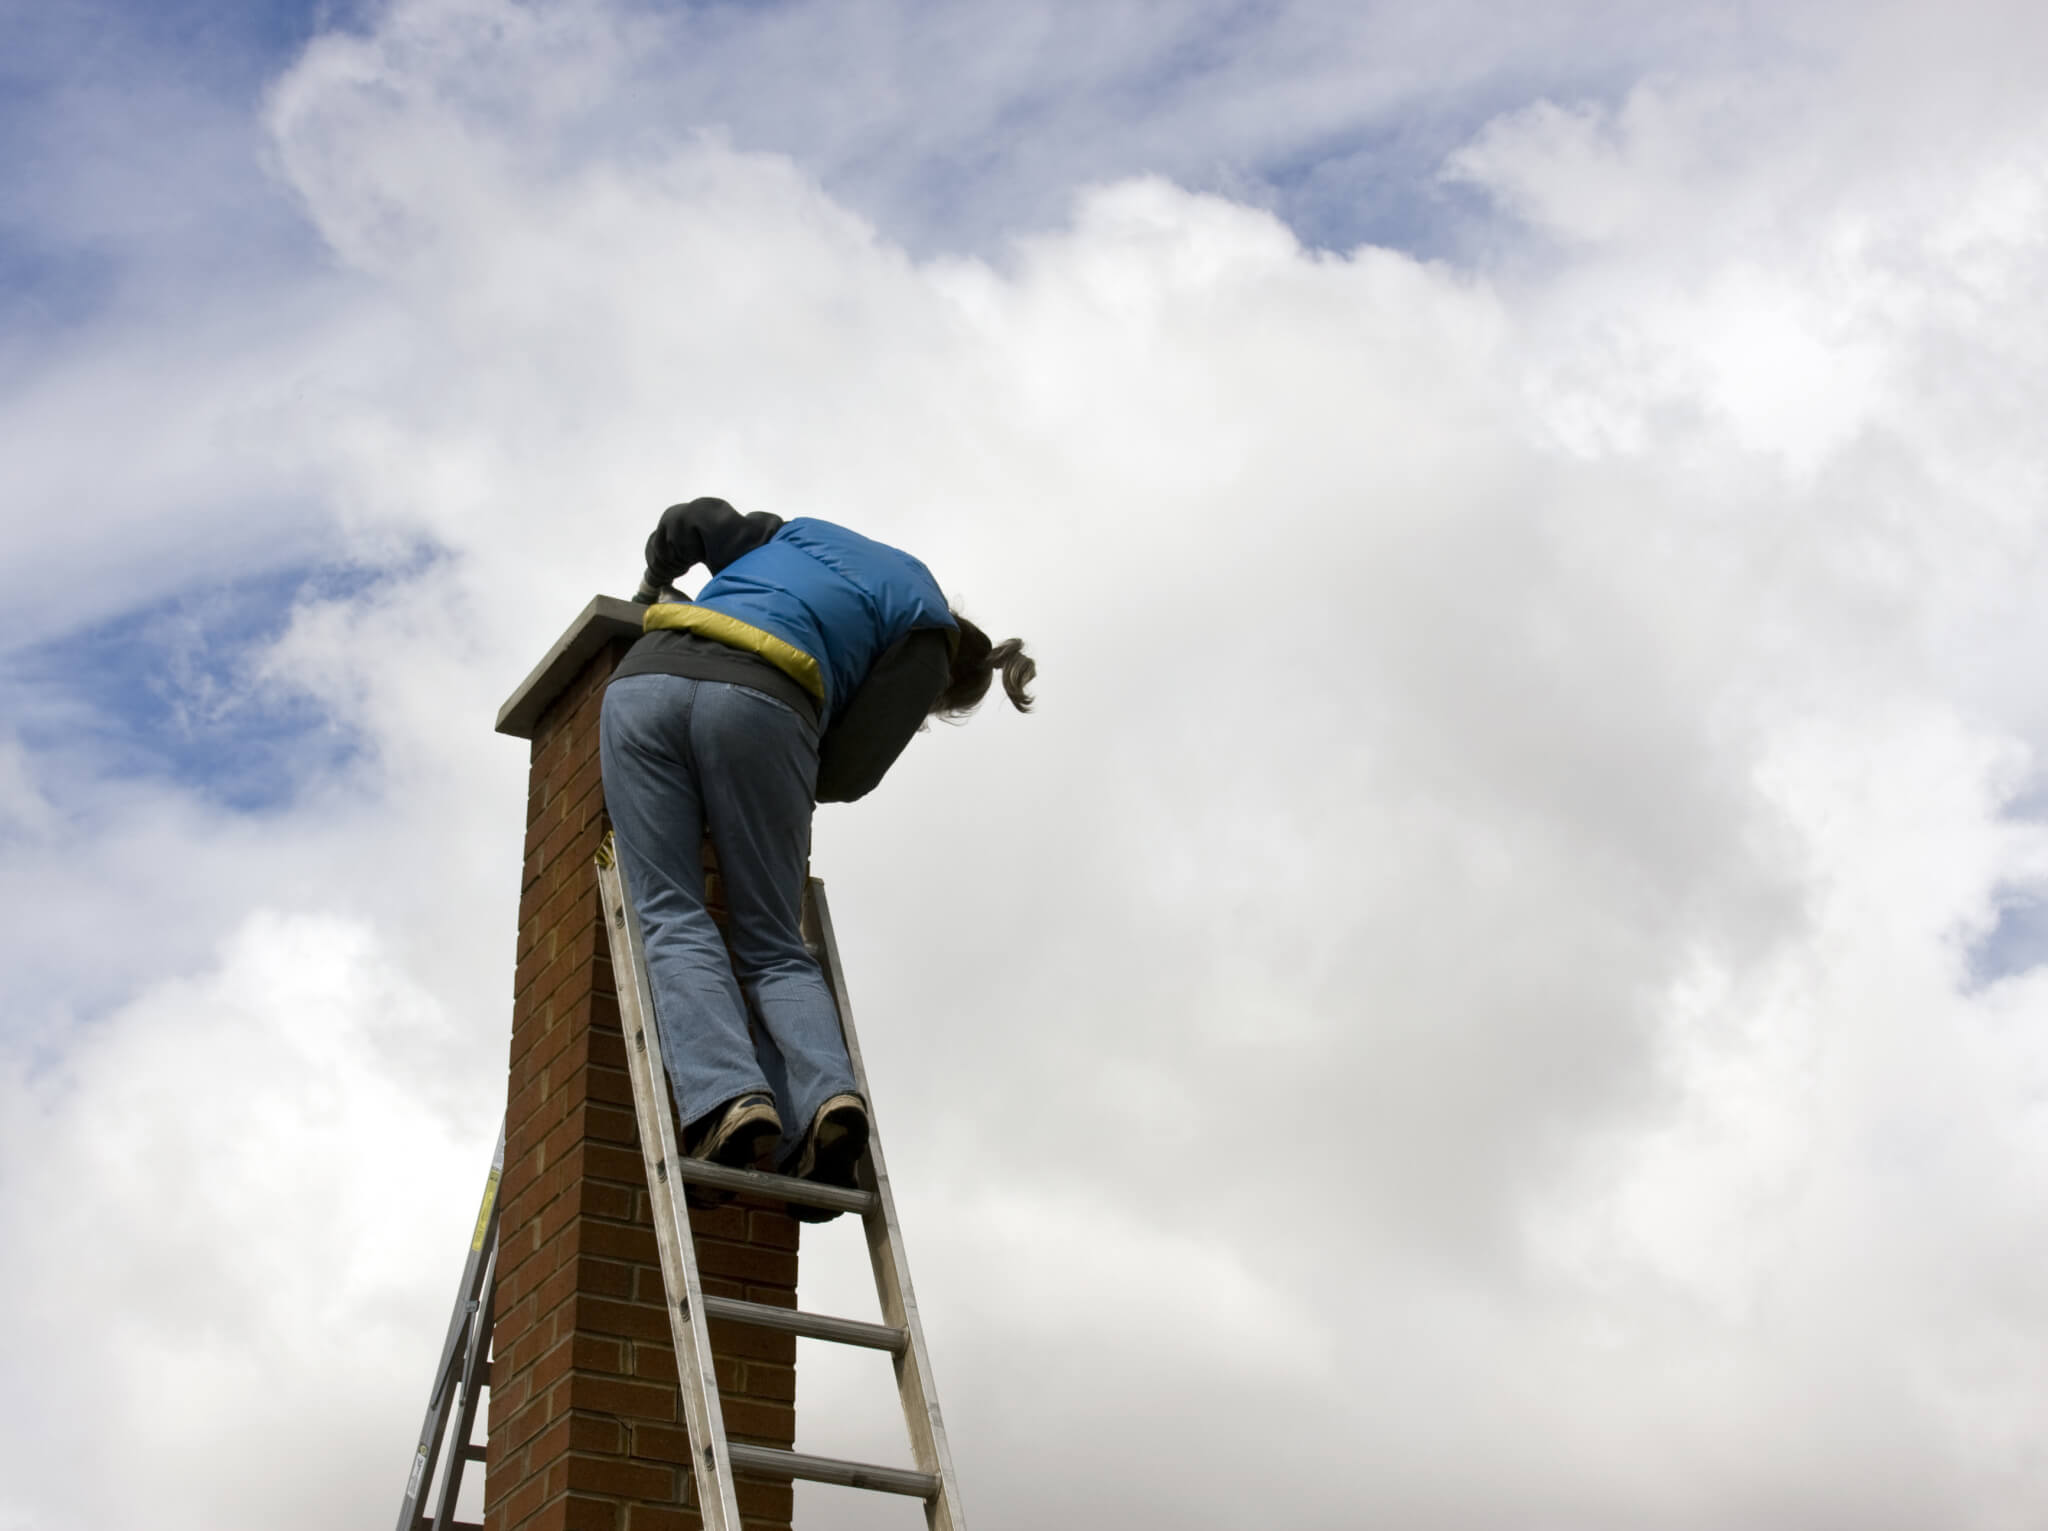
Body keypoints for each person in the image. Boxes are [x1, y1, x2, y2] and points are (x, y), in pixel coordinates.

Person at [598, 498, 1035, 1218]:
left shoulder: (801, 536)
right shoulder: (924, 640)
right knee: (770, 940)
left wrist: (653, 588)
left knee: (670, 913)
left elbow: (692, 520)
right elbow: (847, 774)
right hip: (766, 704)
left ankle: (727, 1101)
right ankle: (823, 1100)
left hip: (648, 678)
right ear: (949, 690)